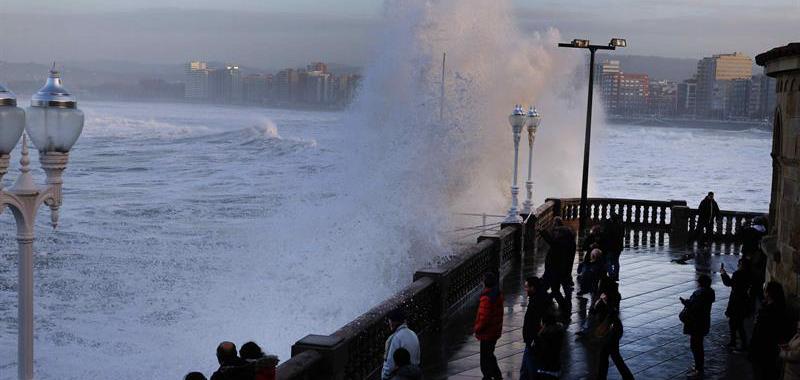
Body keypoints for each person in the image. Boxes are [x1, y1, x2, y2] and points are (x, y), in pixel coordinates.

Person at [750, 281, 792, 380]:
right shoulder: (773, 308)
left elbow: (763, 333)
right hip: (765, 351)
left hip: (764, 352)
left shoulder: (771, 312)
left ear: (769, 293)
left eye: (765, 290)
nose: (764, 292)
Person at [594, 281, 633, 380]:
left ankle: (627, 377)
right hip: (615, 330)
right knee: (607, 355)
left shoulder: (605, 299)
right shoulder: (612, 296)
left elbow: (598, 311)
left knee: (613, 356)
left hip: (611, 332)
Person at [680, 275, 715, 379]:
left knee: (695, 346)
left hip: (696, 323)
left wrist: (686, 303)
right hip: (703, 322)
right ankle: (698, 366)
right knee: (698, 344)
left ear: (701, 283)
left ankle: (699, 368)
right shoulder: (710, 292)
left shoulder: (699, 294)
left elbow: (695, 308)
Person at [538, 218, 576, 313]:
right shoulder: (571, 242)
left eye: (557, 233)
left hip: (555, 270)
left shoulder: (560, 243)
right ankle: (565, 306)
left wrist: (542, 231)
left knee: (554, 289)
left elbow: (551, 241)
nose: (555, 234)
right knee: (560, 289)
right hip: (564, 270)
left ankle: (563, 307)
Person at [521, 276, 553, 379]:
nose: (525, 289)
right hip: (531, 339)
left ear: (533, 287)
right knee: (525, 370)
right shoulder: (538, 297)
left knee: (531, 370)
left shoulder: (537, 301)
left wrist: (534, 338)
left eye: (527, 287)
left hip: (533, 340)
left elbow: (539, 322)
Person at [474, 272, 504, 380]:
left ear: (485, 282)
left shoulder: (486, 298)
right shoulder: (497, 294)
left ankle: (488, 376)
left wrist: (477, 328)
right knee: (490, 354)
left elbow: (484, 318)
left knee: (485, 357)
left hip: (487, 333)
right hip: (494, 331)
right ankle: (496, 375)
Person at [719, 258, 753, 352]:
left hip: (736, 301)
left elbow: (729, 283)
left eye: (739, 264)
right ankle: (737, 342)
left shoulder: (738, 274)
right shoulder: (749, 274)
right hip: (744, 300)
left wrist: (723, 273)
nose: (738, 265)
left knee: (735, 323)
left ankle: (739, 343)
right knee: (738, 323)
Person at [382, 309, 421, 380]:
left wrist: (384, 377)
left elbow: (389, 364)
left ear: (393, 322)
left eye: (389, 321)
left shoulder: (395, 338)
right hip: (415, 373)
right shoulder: (413, 334)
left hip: (401, 376)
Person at [532, 312, 565, 379]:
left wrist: (539, 336)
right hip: (556, 368)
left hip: (545, 369)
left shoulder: (544, 336)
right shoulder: (559, 332)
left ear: (545, 324)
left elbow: (537, 352)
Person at [600, 213, 624, 280]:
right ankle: (616, 275)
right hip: (619, 246)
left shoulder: (610, 225)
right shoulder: (621, 225)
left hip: (611, 246)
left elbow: (606, 235)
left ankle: (611, 274)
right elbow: (622, 235)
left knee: (608, 260)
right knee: (616, 261)